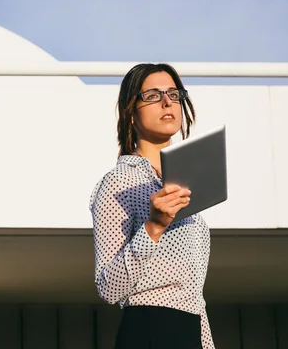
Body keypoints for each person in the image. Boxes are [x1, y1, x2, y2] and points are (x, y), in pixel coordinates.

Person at [89, 63, 214, 349]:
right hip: (147, 330)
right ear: (130, 112)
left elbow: (194, 294)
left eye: (173, 93)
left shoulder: (186, 183)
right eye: (153, 96)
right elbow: (108, 288)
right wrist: (154, 226)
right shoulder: (118, 183)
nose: (167, 101)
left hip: (191, 331)